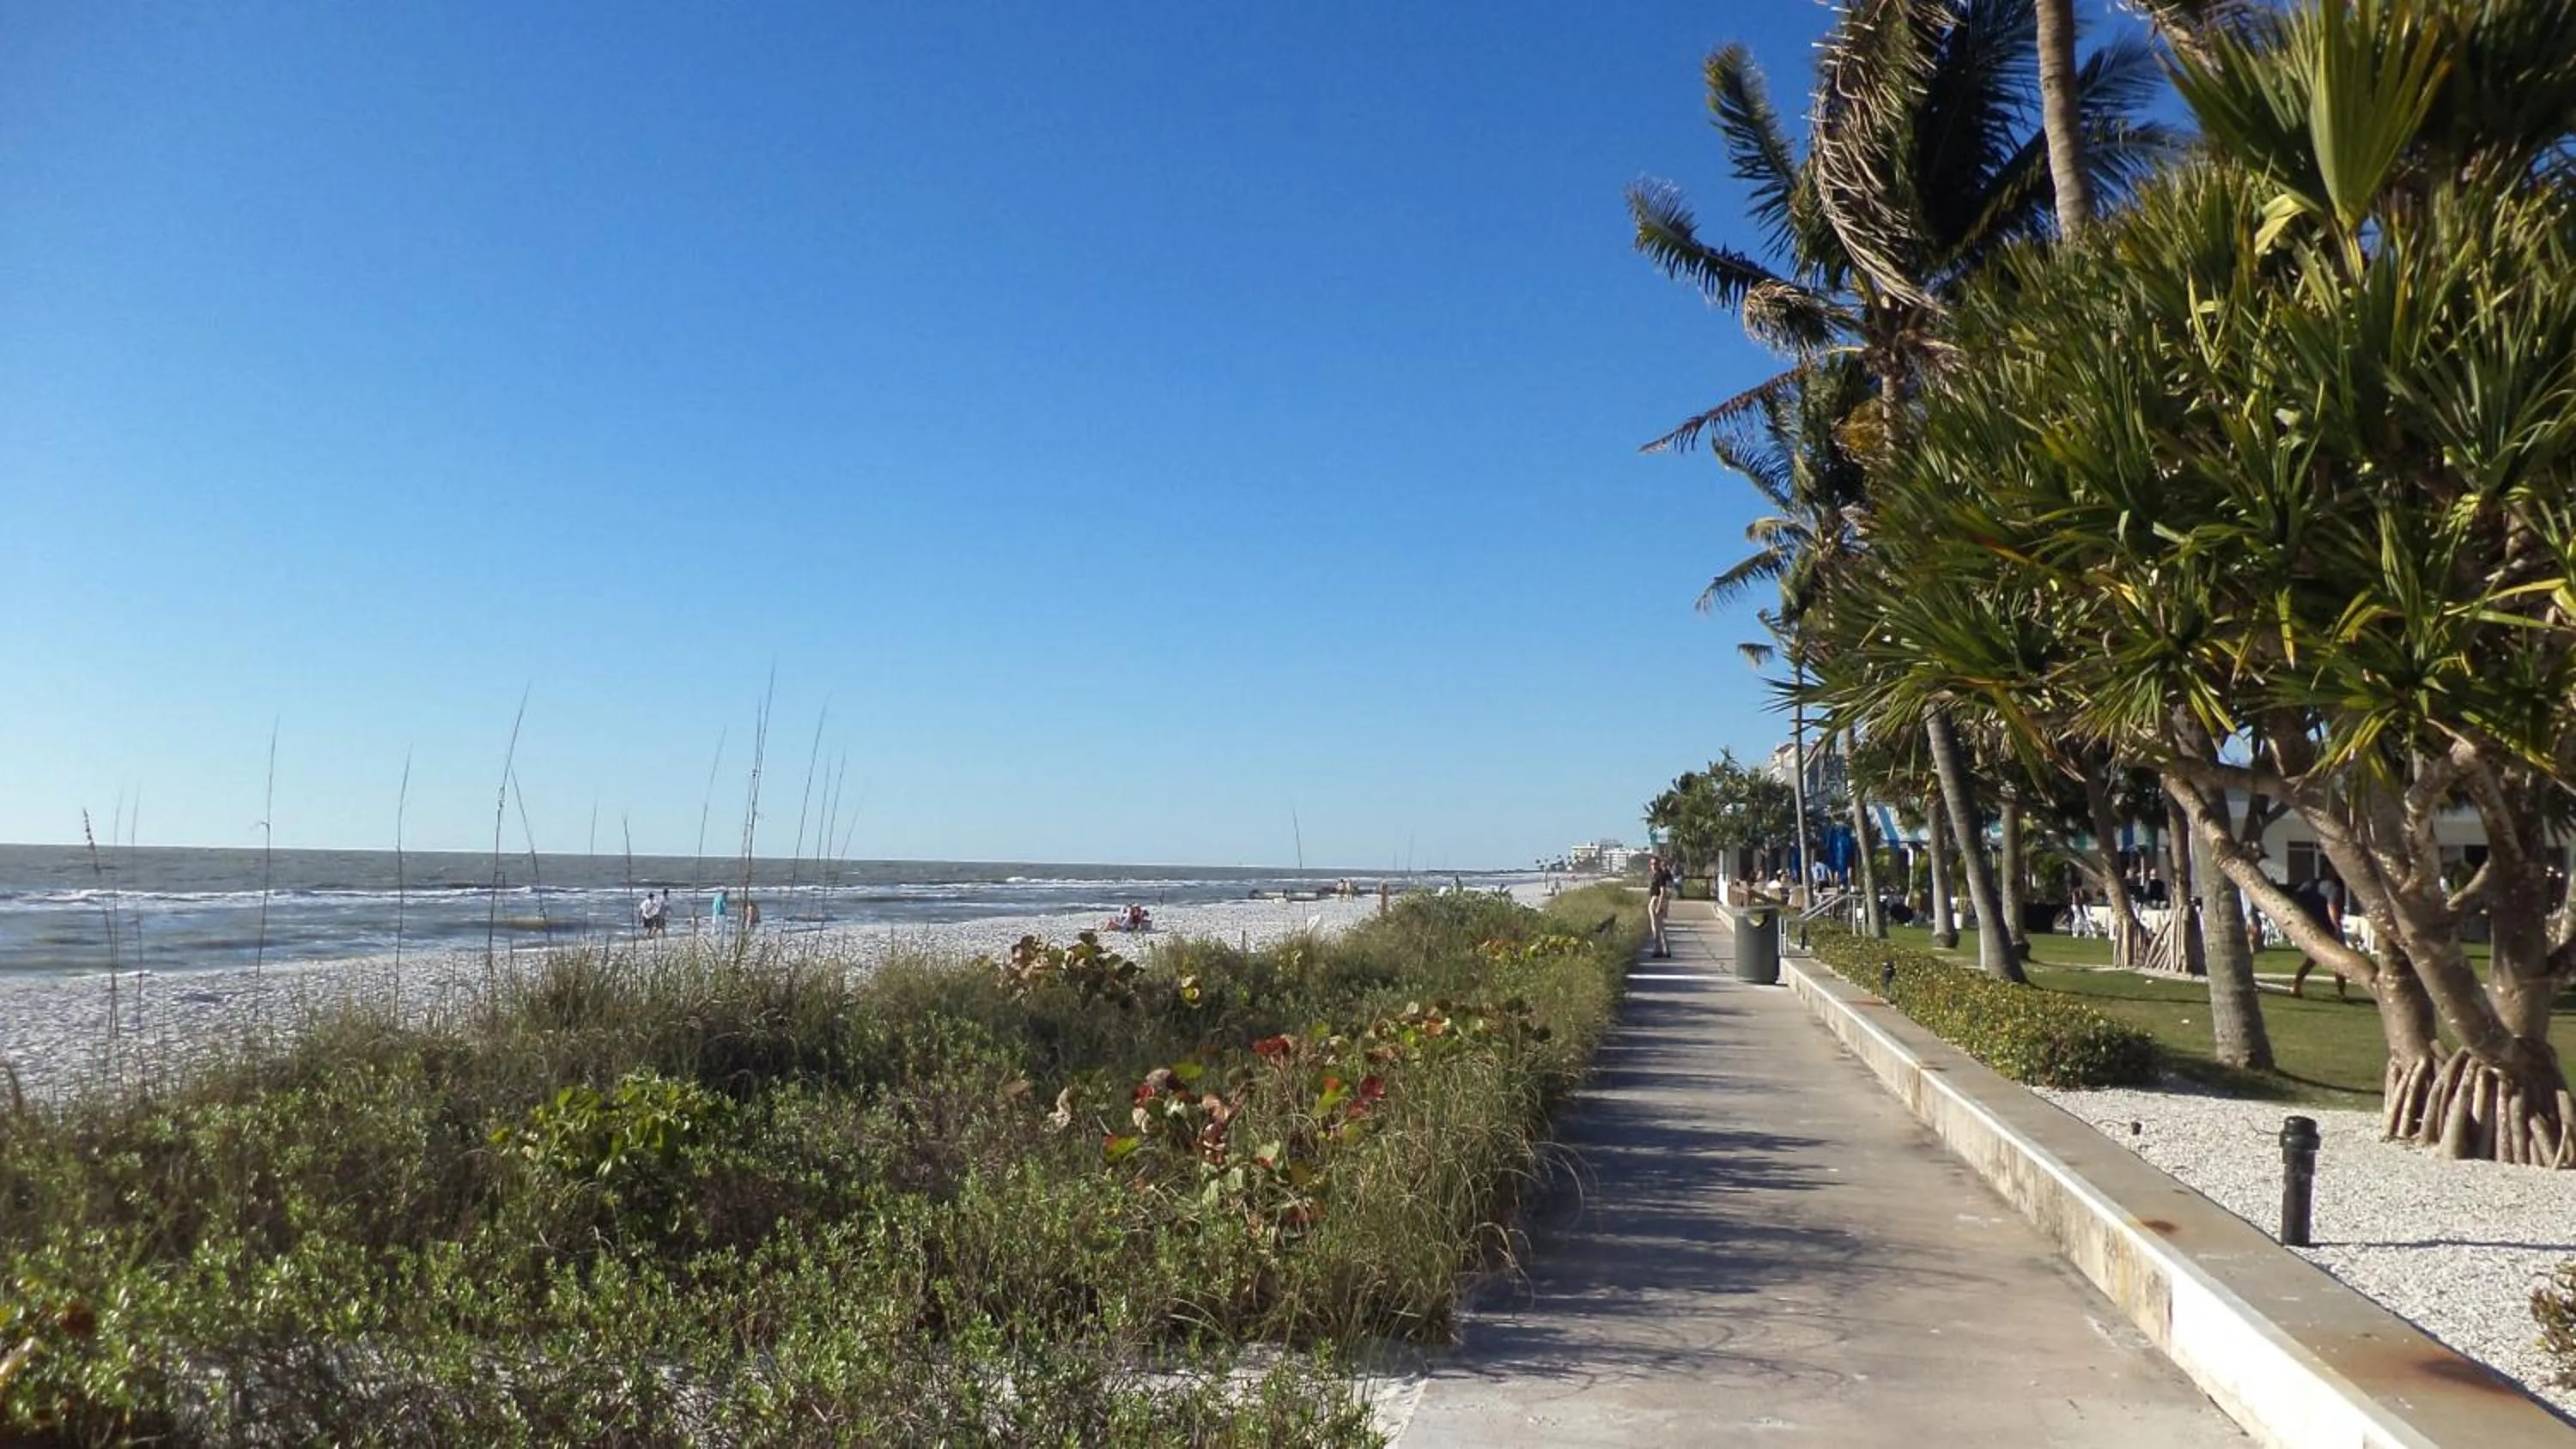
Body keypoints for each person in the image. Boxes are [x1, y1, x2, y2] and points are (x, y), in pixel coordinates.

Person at [2289, 873, 2348, 1000]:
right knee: (2339, 960)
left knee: (2311, 959)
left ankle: (2296, 985)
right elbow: (2331, 908)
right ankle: (2341, 991)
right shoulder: (2332, 888)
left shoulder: (2308, 884)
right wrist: (2337, 927)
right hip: (2327, 928)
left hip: (2311, 927)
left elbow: (2295, 900)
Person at [1647, 853, 1676, 959]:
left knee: (1656, 928)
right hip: (1654, 900)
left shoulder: (1659, 875)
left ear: (1659, 864)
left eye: (1655, 864)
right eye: (1652, 864)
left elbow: (1663, 891)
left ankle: (1658, 950)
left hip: (1656, 900)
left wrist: (1659, 905)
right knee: (1660, 927)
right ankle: (1665, 949)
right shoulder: (1654, 875)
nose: (1653, 866)